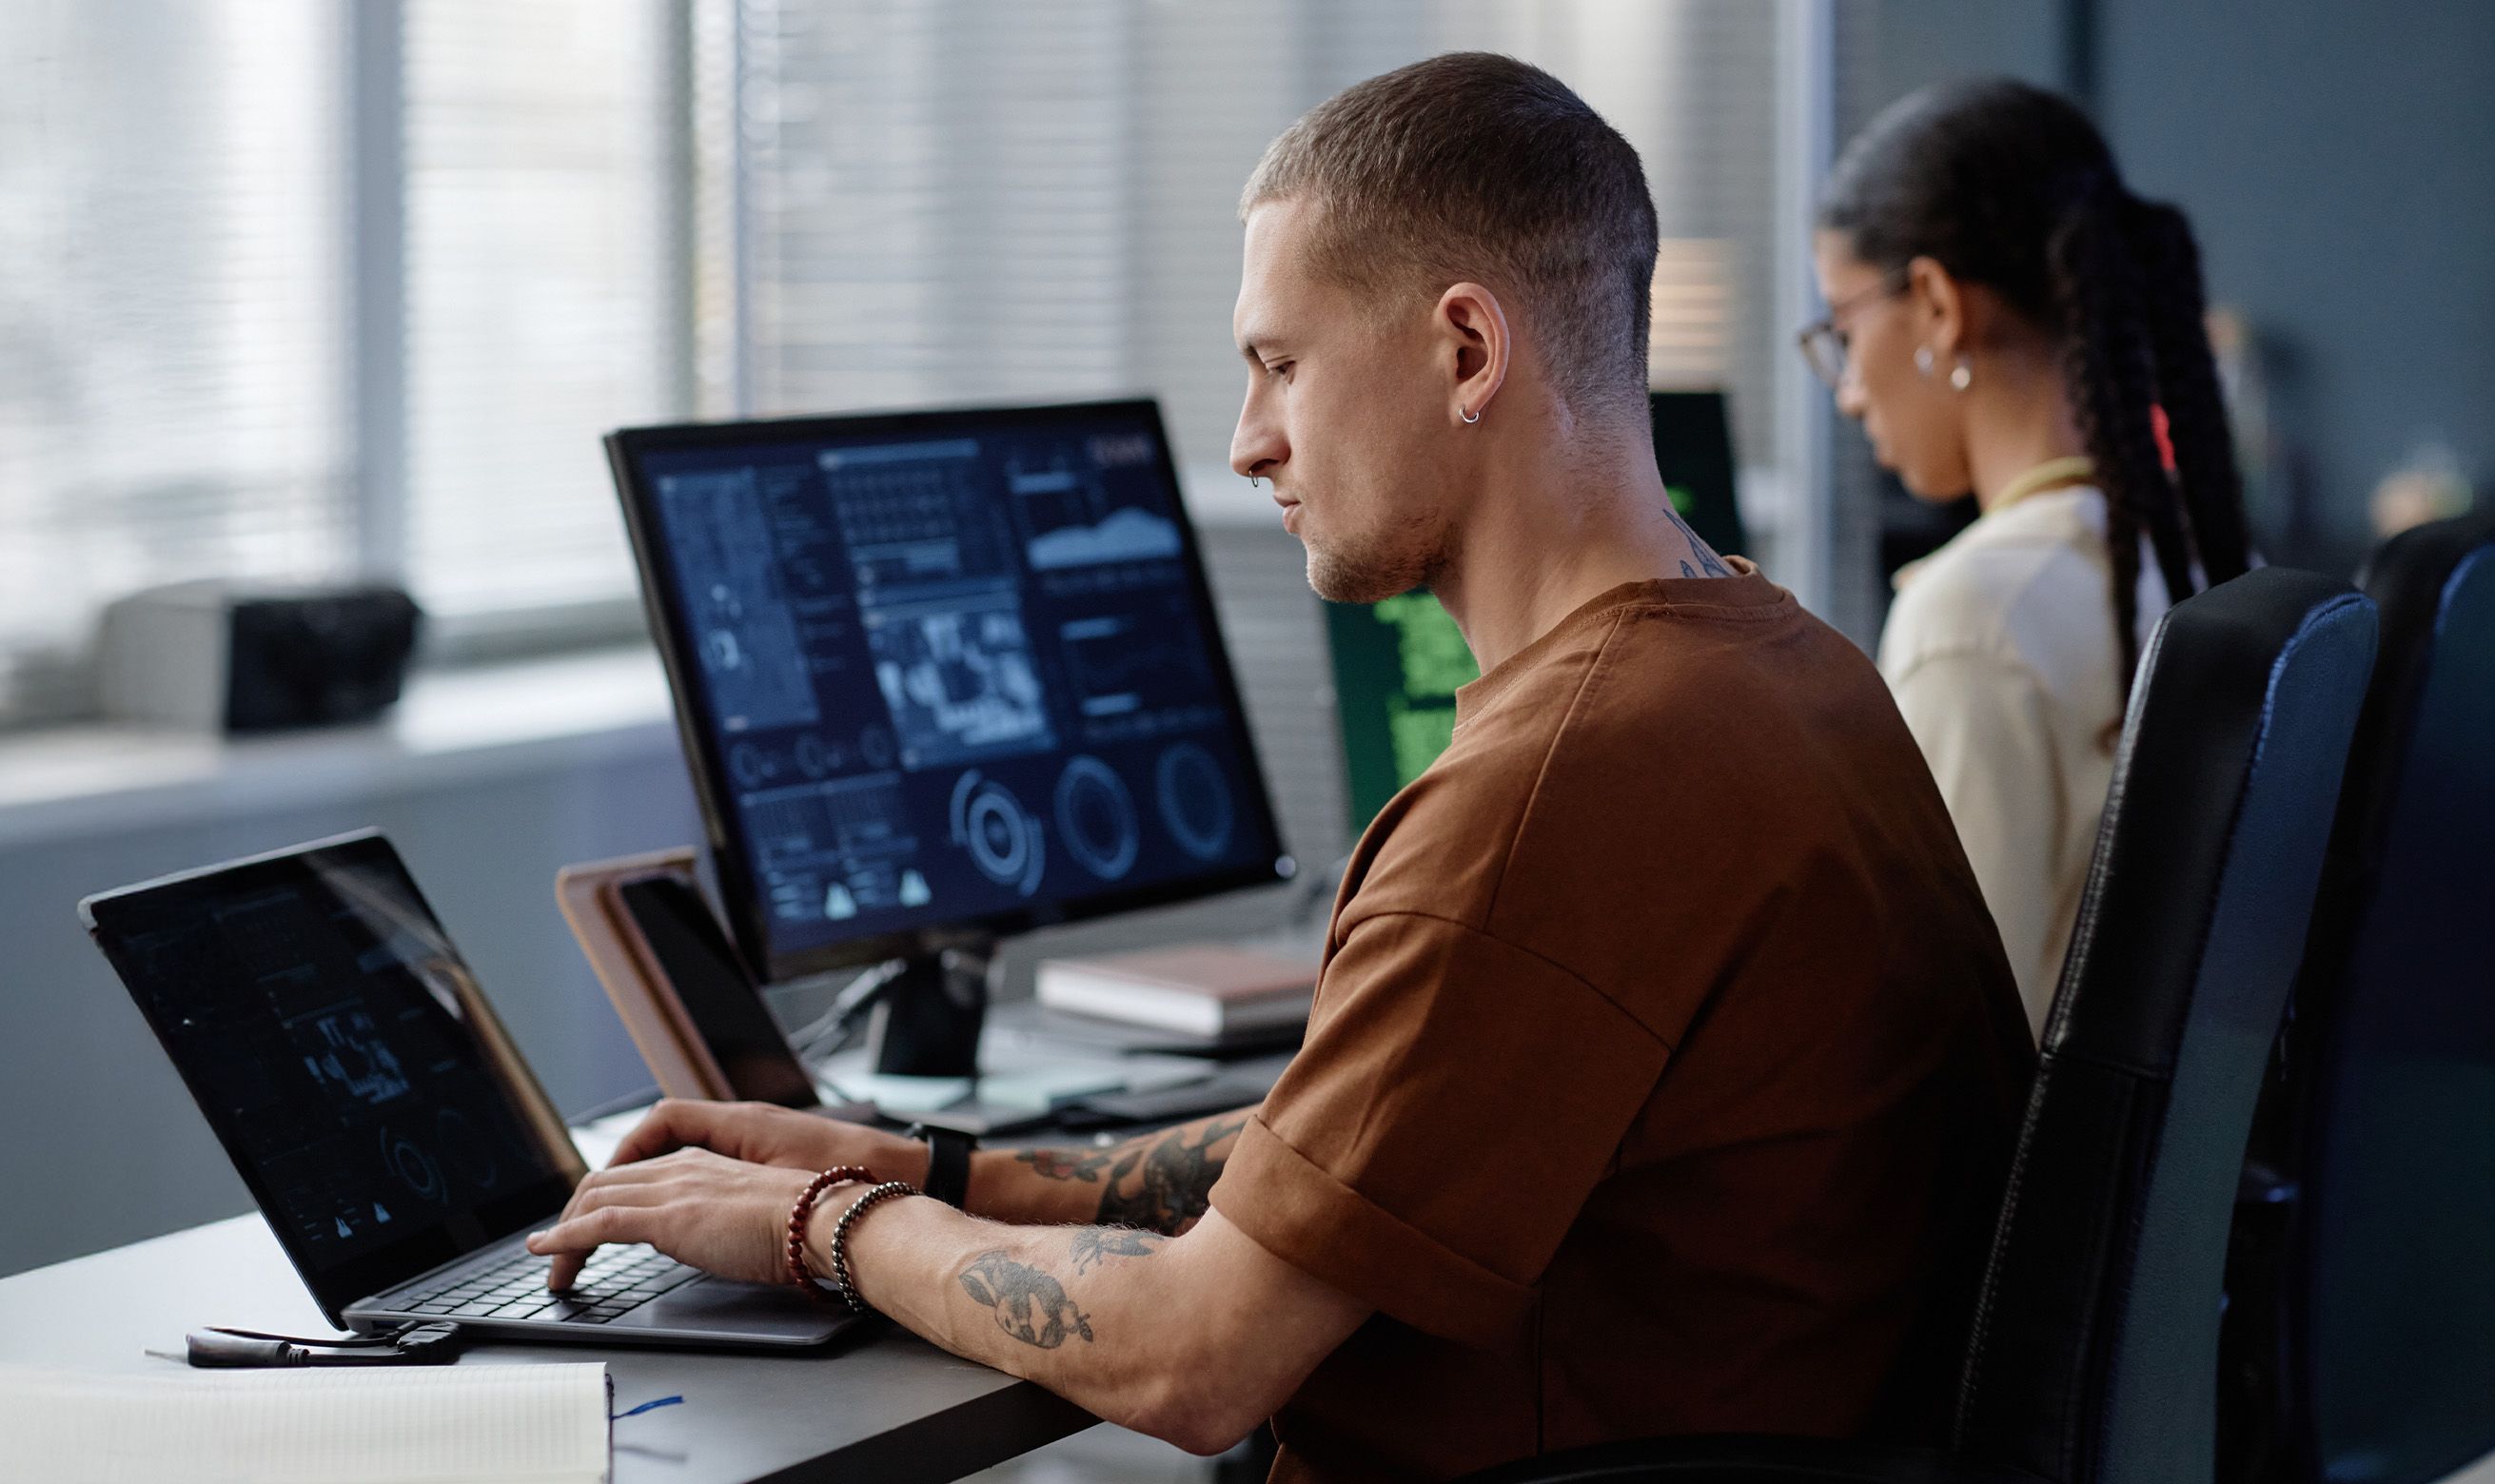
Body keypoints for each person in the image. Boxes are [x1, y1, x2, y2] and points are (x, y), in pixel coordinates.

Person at [528, 53, 2033, 1481]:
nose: (1250, 442)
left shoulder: (1561, 788)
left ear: (1465, 349)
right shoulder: (1779, 663)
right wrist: (927, 1171)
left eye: (1281, 364)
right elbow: (1335, 1161)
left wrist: (814, 1222)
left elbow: (1198, 1360)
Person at [1801, 78, 2255, 1036]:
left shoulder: (1975, 620)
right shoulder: (2210, 568)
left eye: (1843, 331)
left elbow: (1930, 1056)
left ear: (1933, 305)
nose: (1846, 393)